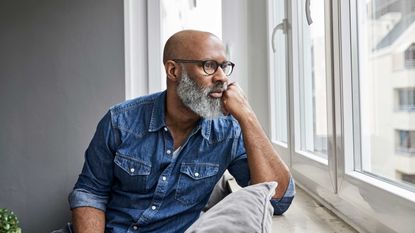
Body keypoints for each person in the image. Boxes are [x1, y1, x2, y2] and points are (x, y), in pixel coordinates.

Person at [68, 30, 295, 233]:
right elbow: (90, 193)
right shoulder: (120, 121)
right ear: (173, 70)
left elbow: (278, 200)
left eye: (224, 66)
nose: (222, 77)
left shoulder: (228, 132)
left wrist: (248, 116)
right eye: (209, 65)